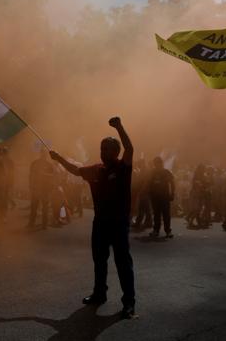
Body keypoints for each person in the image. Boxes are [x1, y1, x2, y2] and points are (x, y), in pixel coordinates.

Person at [49, 116, 136, 319]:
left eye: (107, 149)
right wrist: (59, 159)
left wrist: (120, 127)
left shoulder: (123, 168)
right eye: (102, 148)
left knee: (123, 262)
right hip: (100, 223)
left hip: (119, 223)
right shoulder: (95, 169)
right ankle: (99, 294)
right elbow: (75, 170)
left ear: (116, 152)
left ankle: (129, 302)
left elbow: (130, 148)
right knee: (99, 260)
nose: (103, 152)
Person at [148, 157, 175, 238]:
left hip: (165, 196)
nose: (156, 165)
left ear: (161, 163)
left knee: (166, 214)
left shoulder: (166, 172)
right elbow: (149, 183)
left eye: (158, 163)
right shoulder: (152, 172)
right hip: (155, 197)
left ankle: (167, 231)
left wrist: (172, 193)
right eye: (155, 163)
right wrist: (149, 192)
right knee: (156, 214)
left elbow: (172, 183)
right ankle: (156, 230)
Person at [28, 151, 54, 228]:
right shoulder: (34, 163)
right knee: (34, 206)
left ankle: (44, 224)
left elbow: (52, 176)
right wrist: (30, 185)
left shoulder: (49, 165)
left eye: (45, 155)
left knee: (45, 207)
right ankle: (31, 223)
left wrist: (44, 174)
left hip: (45, 189)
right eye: (42, 154)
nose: (43, 156)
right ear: (40, 155)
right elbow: (30, 175)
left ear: (46, 156)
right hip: (36, 188)